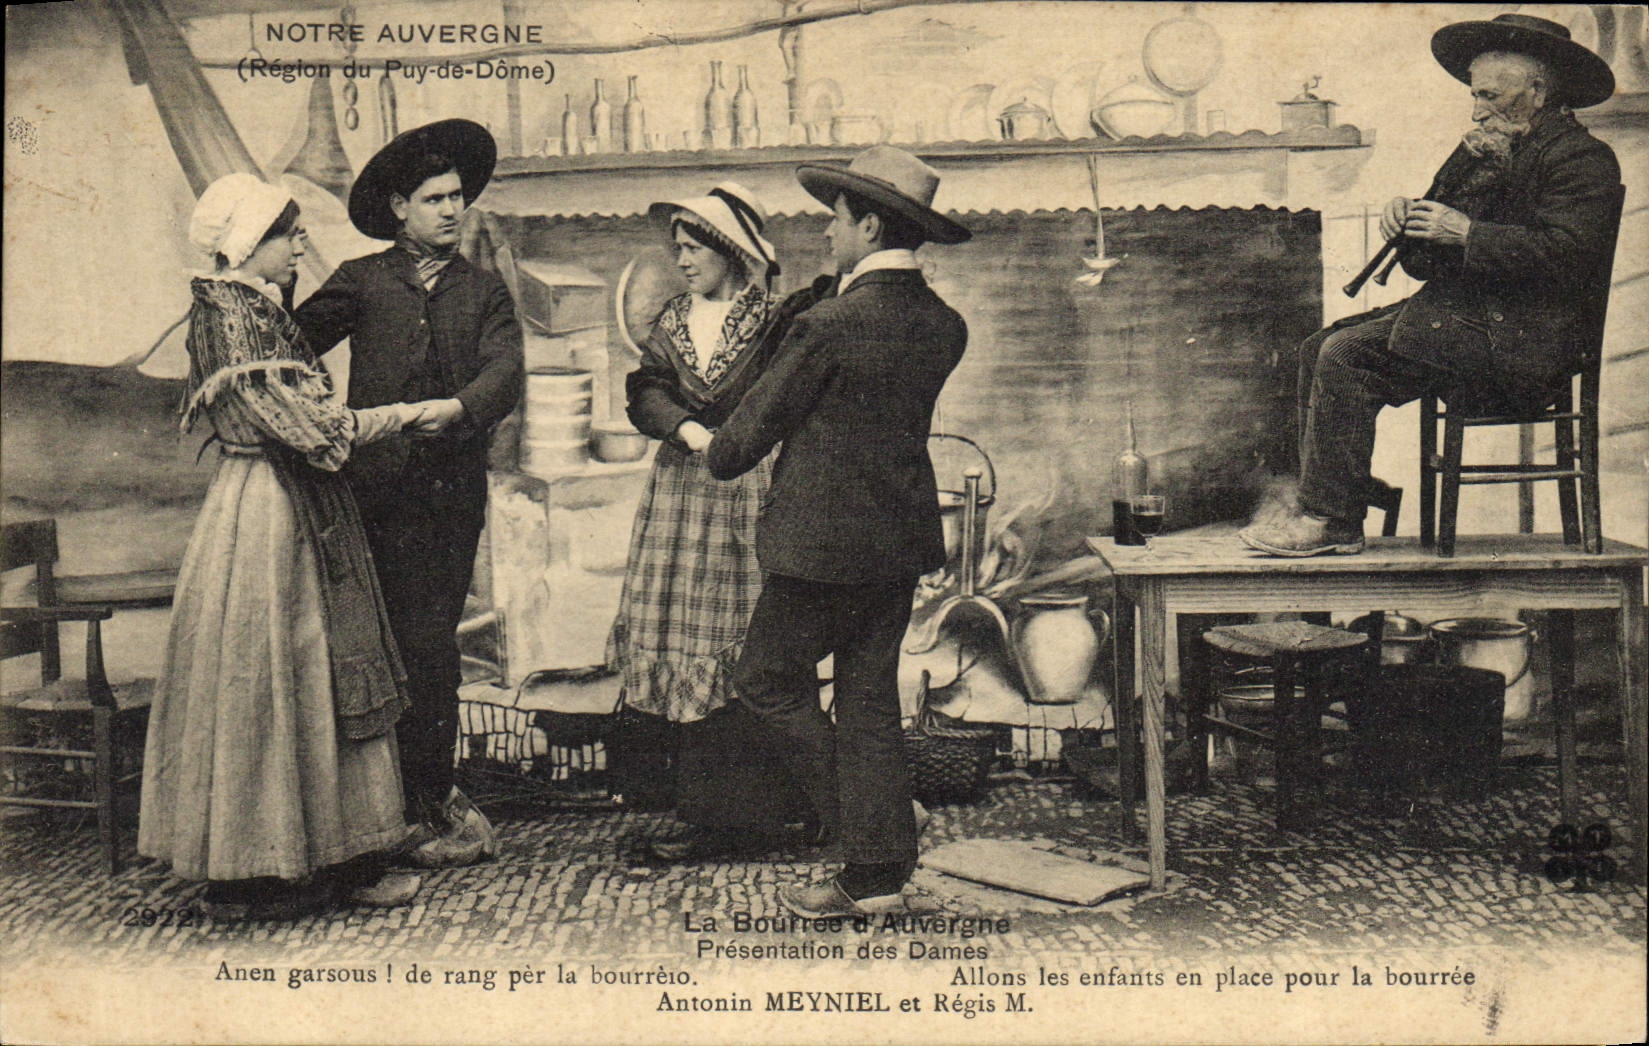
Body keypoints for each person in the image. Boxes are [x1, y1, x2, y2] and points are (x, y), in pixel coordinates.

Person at [139, 173, 425, 918]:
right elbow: (320, 436)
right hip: (271, 512)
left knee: (283, 679)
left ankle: (305, 862)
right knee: (278, 677)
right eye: (286, 234)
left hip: (264, 502)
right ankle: (264, 873)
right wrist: (402, 416)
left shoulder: (241, 308)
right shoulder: (237, 323)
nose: (300, 244)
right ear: (248, 245)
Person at [1241, 13, 1621, 557]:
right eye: (1474, 94)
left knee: (1345, 356)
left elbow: (1570, 260)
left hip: (1530, 343)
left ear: (1537, 91)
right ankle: (1335, 495)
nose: (1476, 109)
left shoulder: (1584, 160)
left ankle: (1335, 522)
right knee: (1315, 347)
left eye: (1490, 95)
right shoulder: (1486, 150)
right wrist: (1408, 224)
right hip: (1473, 319)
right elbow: (1425, 263)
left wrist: (1467, 232)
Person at [706, 146, 971, 917]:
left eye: (835, 220)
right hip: (895, 542)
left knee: (763, 682)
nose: (827, 235)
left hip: (818, 549)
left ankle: (876, 832)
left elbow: (732, 452)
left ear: (869, 222)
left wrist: (701, 434)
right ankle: (876, 875)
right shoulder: (943, 325)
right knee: (866, 703)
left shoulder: (828, 324)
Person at [295, 120, 525, 866]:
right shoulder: (363, 281)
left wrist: (457, 410)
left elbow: (504, 374)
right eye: (433, 199)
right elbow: (293, 347)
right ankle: (367, 809)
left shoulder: (484, 291)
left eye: (457, 197)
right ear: (399, 207)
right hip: (371, 500)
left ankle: (427, 798)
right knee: (371, 645)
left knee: (430, 650)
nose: (451, 211)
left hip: (449, 500)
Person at [609, 183, 827, 862]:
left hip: (750, 488)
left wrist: (727, 442)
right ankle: (708, 811)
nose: (682, 259)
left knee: (747, 641)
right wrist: (686, 430)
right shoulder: (672, 322)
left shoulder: (774, 320)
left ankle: (773, 810)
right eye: (677, 248)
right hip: (683, 491)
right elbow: (644, 390)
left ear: (731, 251)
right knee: (686, 638)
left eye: (694, 246)